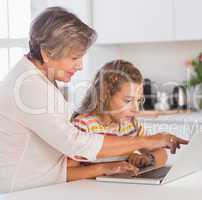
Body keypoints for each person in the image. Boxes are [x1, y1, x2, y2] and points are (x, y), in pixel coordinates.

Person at [0, 7, 188, 193]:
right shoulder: (28, 87)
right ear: (47, 53)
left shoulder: (39, 79)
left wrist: (103, 168)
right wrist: (146, 141)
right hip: (21, 191)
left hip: (41, 186)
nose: (80, 66)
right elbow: (75, 143)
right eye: (74, 57)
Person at [67, 60, 168, 181]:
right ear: (105, 95)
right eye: (128, 101)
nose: (136, 109)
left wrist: (148, 159)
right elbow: (68, 173)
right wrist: (103, 169)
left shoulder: (131, 125)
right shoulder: (83, 126)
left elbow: (162, 154)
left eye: (138, 101)